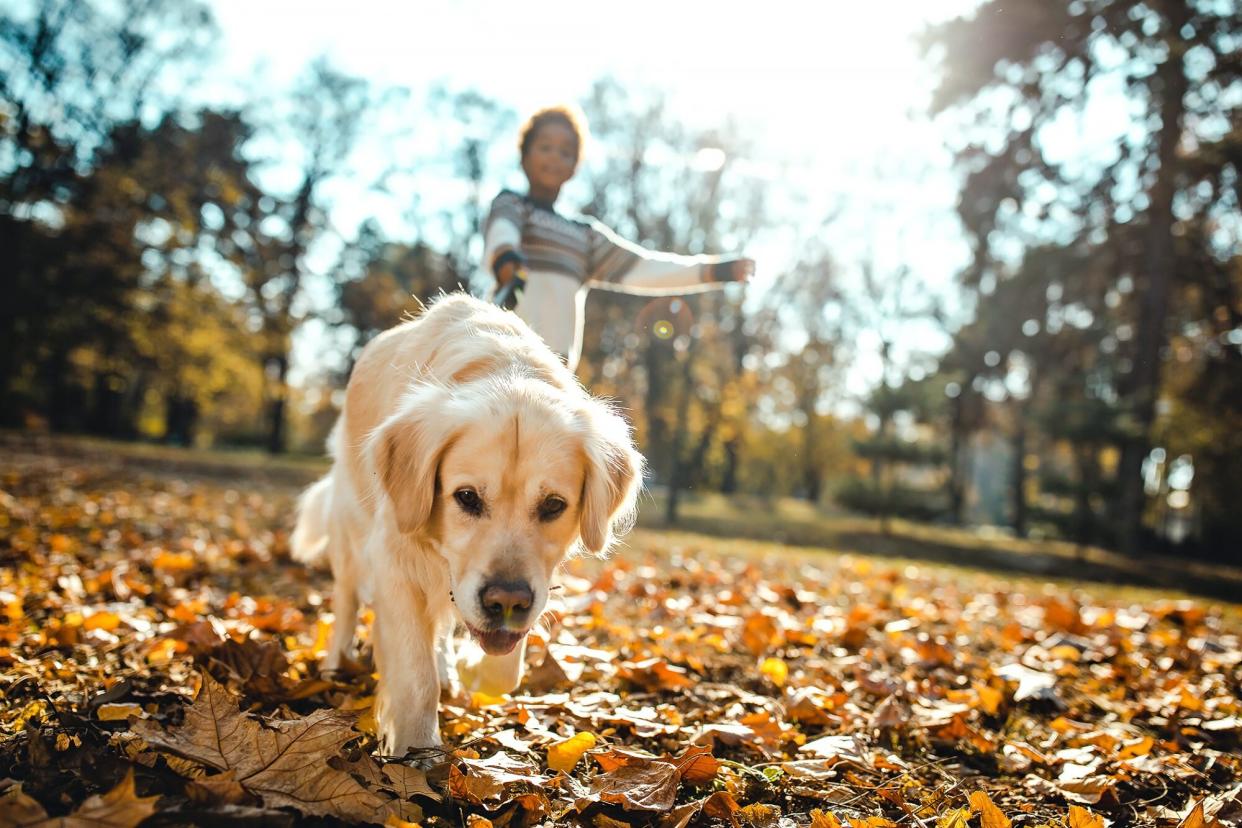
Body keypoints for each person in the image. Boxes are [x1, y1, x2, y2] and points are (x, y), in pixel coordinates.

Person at [482, 105, 755, 372]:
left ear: (574, 167)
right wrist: (507, 260)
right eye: (545, 147)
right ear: (525, 155)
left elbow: (645, 268)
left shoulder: (583, 237)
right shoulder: (513, 205)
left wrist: (715, 270)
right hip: (499, 354)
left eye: (565, 152)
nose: (554, 157)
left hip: (553, 370)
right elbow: (503, 233)